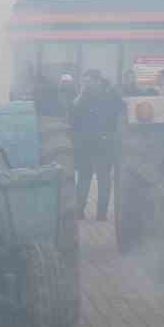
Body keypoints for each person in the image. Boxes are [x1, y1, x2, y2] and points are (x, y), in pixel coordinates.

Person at [70, 69, 122, 221]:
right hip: (86, 145)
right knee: (84, 179)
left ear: (97, 80)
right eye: (84, 82)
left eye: (88, 82)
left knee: (103, 180)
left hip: (104, 145)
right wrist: (80, 95)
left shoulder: (111, 95)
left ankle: (101, 214)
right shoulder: (83, 96)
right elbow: (74, 115)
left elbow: (119, 113)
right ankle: (79, 211)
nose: (85, 85)